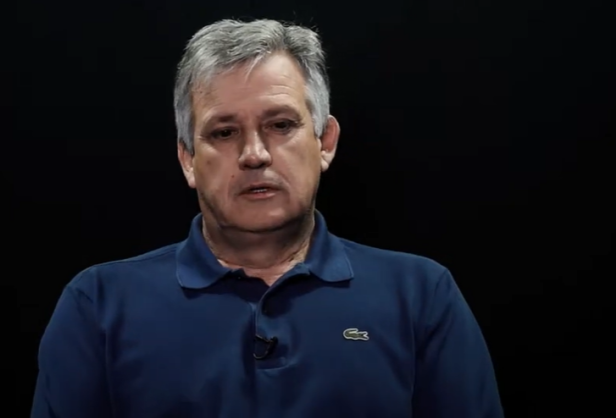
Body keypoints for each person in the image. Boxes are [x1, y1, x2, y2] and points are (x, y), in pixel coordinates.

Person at [30, 18, 504, 418]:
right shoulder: (99, 307)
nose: (254, 154)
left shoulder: (420, 297)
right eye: (224, 132)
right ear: (188, 159)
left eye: (280, 125)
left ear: (325, 142)